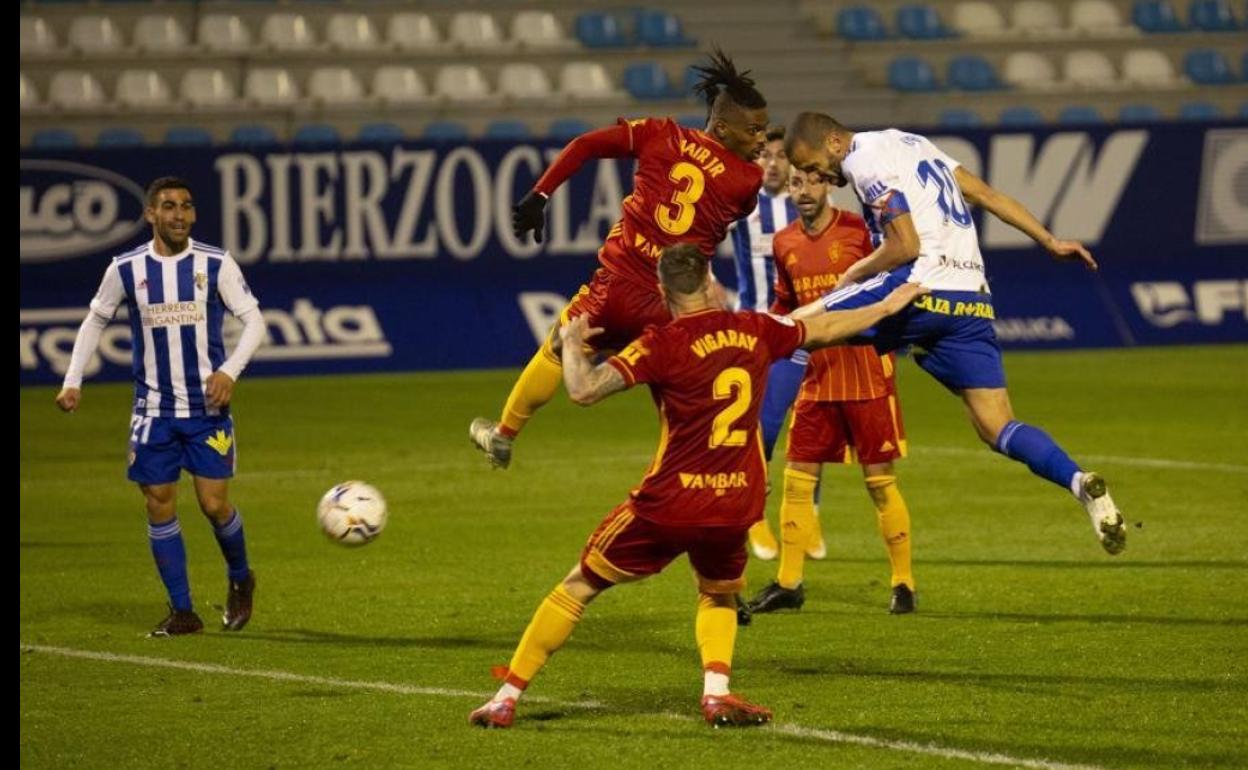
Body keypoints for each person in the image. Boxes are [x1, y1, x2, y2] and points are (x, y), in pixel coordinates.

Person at [467, 243, 927, 729]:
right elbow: (828, 328)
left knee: (580, 585)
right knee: (718, 593)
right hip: (735, 501)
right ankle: (716, 694)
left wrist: (573, 344)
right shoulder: (756, 329)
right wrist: (886, 306)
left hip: (670, 501)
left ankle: (505, 697)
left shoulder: (658, 343)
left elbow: (583, 390)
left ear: (662, 290)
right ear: (710, 280)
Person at [783, 113, 1127, 555]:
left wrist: (856, 271)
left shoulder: (861, 161)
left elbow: (905, 246)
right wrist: (1050, 241)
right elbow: (984, 193)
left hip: (919, 286)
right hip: (970, 299)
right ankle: (1079, 482)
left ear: (834, 142)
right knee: (996, 426)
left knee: (806, 323)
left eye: (814, 165)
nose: (819, 176)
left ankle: (732, 366)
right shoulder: (910, 142)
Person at [469, 48, 769, 470]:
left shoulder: (659, 133)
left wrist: (540, 194)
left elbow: (585, 145)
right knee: (677, 392)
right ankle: (687, 474)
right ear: (722, 127)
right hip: (673, 301)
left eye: (764, 130)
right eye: (754, 130)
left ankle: (504, 433)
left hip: (615, 288)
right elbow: (723, 209)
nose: (761, 140)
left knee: (559, 345)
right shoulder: (748, 180)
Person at [55, 176, 266, 636]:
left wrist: (229, 371)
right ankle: (183, 611)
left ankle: (240, 577)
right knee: (159, 503)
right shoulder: (126, 268)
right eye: (168, 206)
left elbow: (254, 321)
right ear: (151, 213)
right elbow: (94, 321)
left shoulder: (215, 263)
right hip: (153, 411)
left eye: (186, 206)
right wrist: (73, 381)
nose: (179, 215)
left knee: (214, 505)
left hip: (206, 409)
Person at [750, 168, 917, 616]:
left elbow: (896, 280)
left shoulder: (860, 232)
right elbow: (787, 304)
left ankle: (903, 582)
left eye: (811, 182)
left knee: (879, 482)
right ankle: (789, 583)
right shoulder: (784, 242)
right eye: (796, 184)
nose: (804, 191)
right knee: (797, 478)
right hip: (816, 372)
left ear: (828, 185)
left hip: (865, 370)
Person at [726, 126, 825, 563]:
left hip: (802, 331)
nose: (771, 163)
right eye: (764, 155)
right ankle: (755, 516)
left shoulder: (808, 204)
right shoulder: (740, 204)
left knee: (812, 427)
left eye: (780, 156)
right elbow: (697, 242)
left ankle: (809, 517)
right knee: (762, 427)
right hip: (753, 332)